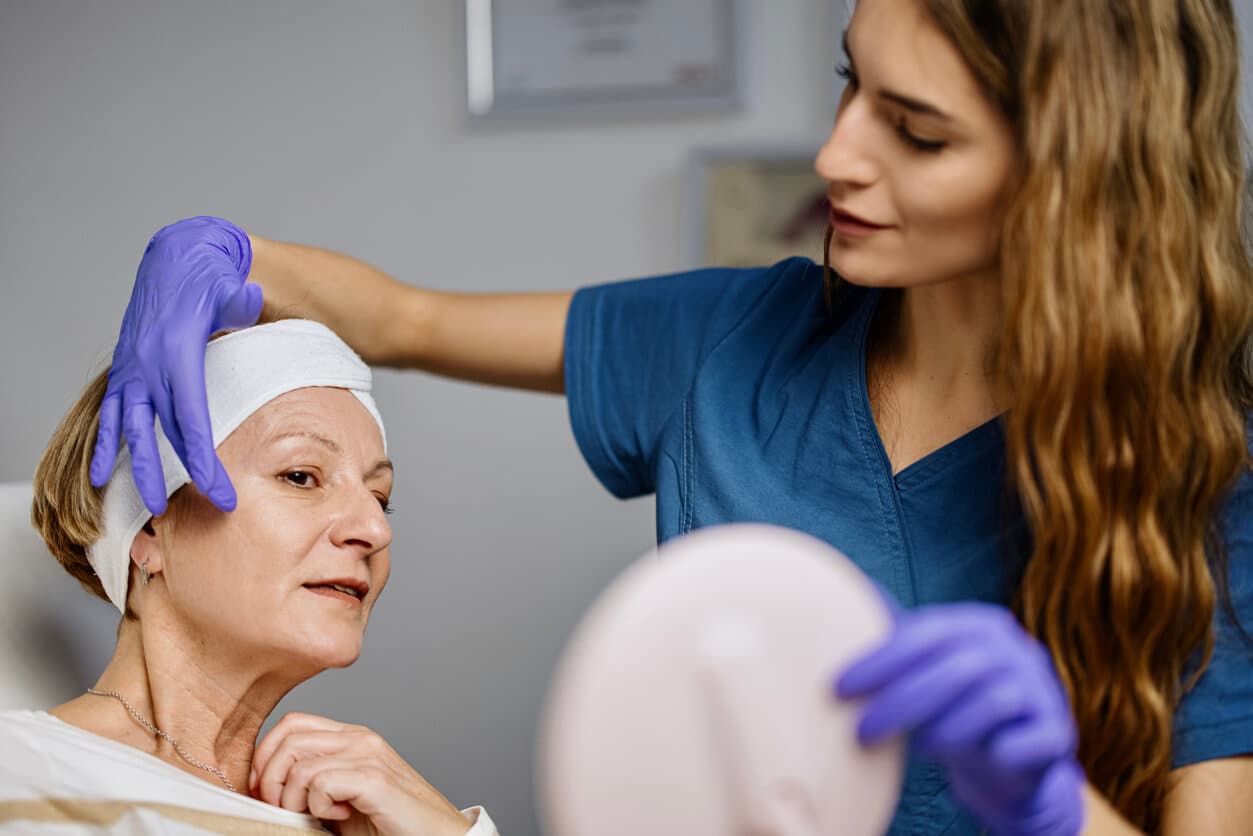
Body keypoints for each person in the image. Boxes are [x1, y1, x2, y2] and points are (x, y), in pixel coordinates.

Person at [89, 0, 1252, 833]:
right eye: (851, 83)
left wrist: (1061, 811)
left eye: (918, 131)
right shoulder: (731, 344)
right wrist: (221, 249)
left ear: (1070, 174)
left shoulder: (1203, 470)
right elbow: (407, 317)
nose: (835, 153)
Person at [5, 320, 498, 835]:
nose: (375, 530)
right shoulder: (21, 774)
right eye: (301, 476)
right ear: (150, 529)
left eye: (380, 497)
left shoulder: (363, 820)